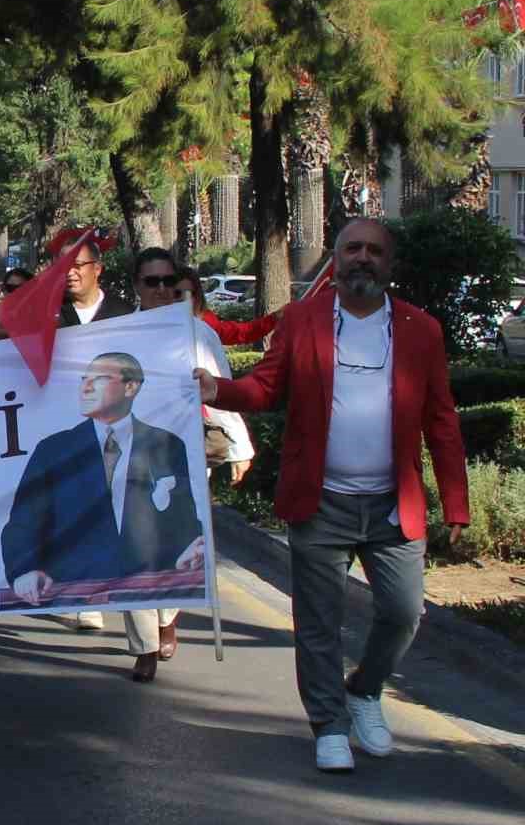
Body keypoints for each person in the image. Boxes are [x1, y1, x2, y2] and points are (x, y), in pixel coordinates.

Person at [197, 219, 468, 773]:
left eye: (374, 250)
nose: (362, 258)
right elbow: (267, 387)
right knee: (319, 621)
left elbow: (441, 419)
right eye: (352, 249)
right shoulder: (303, 320)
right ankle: (328, 724)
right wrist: (219, 390)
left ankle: (364, 689)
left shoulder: (422, 330)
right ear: (336, 259)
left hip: (394, 503)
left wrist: (456, 501)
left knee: (403, 611)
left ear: (390, 264)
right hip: (320, 501)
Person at [117, 250, 254, 682]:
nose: (160, 290)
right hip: (131, 455)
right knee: (132, 547)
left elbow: (221, 390)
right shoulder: (116, 335)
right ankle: (144, 646)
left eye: (167, 281)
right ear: (136, 286)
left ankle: (167, 616)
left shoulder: (197, 334)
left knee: (179, 540)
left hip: (185, 453)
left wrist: (241, 446)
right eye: (150, 282)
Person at [2, 350, 205, 617]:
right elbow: (24, 521)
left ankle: (152, 647)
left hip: (144, 583)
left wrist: (190, 546)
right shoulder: (54, 450)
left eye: (98, 379)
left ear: (131, 386)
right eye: (84, 378)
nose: (85, 386)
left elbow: (182, 516)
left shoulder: (165, 444)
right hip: (72, 587)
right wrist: (24, 569)